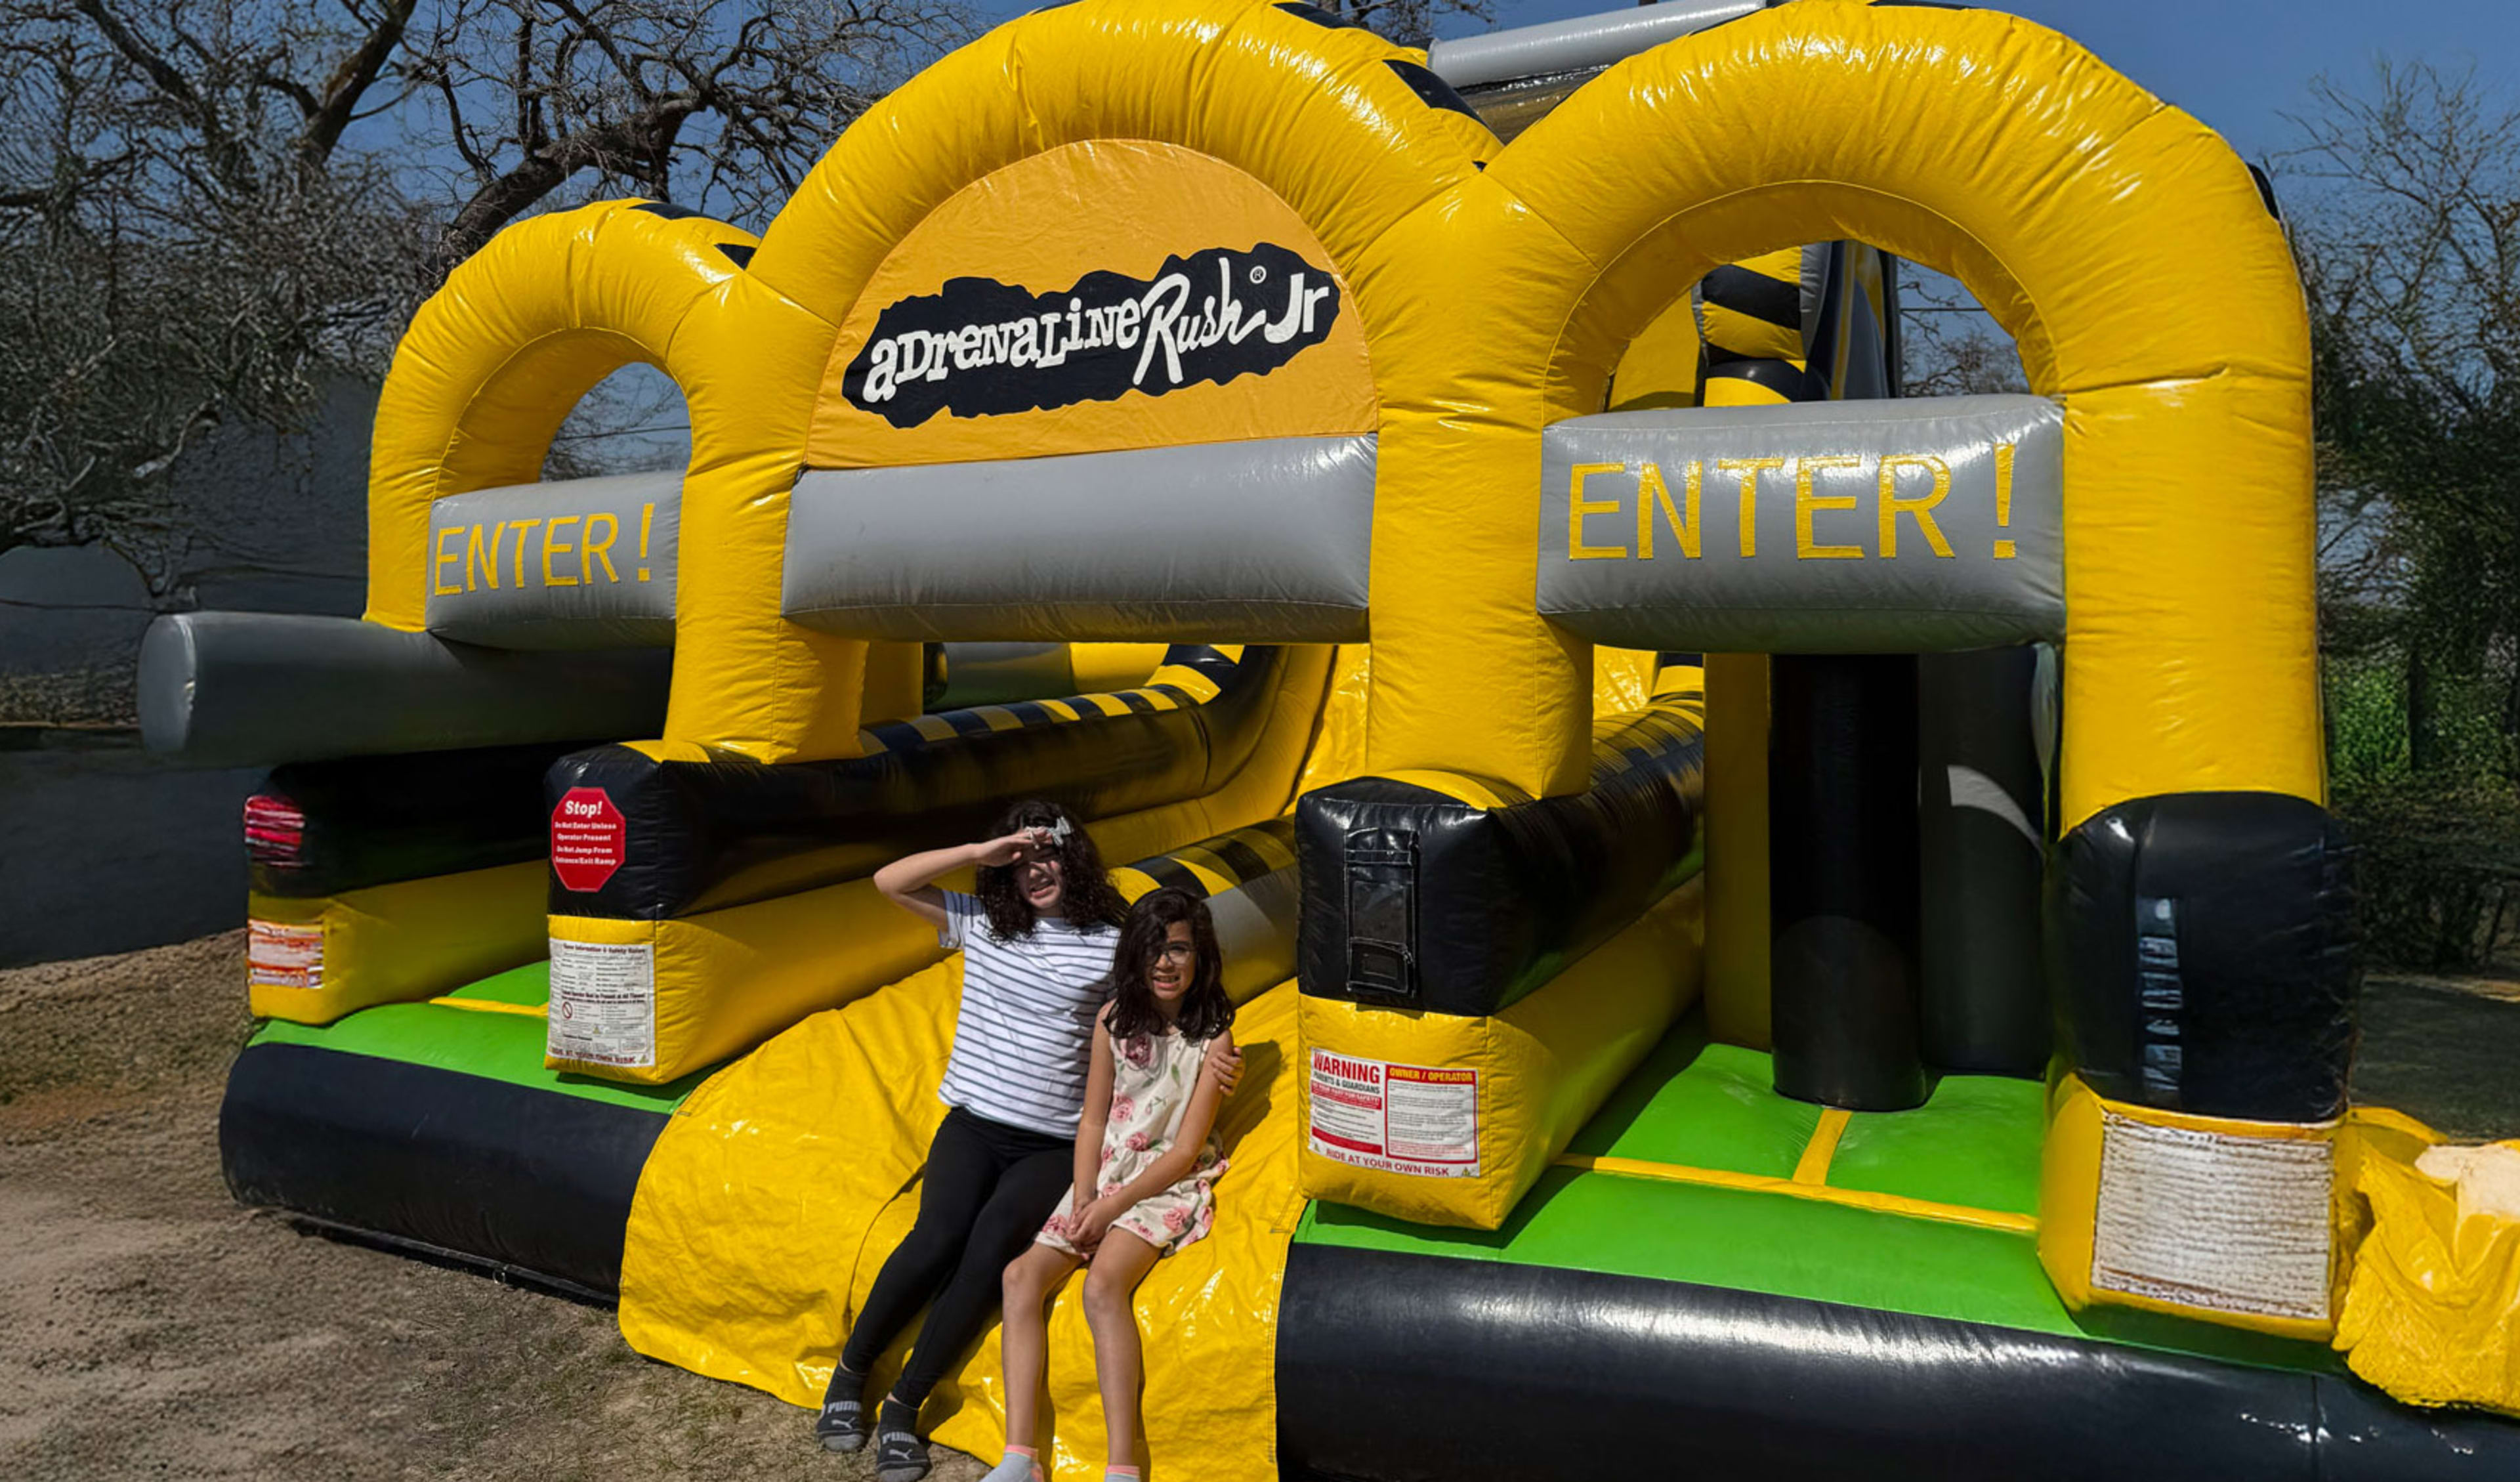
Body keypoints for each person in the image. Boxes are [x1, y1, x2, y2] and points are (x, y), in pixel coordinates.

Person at [818, 803, 1238, 1482]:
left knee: (990, 1252)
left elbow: (1172, 982)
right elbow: (889, 881)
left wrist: (1220, 1056)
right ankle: (850, 1372)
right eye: (1021, 861)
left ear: (1075, 862)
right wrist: (987, 847)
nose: (1034, 869)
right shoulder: (983, 924)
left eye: (1047, 855)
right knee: (936, 1236)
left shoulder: (1108, 940)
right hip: (977, 1122)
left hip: (1051, 1139)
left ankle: (903, 1405)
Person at [986, 888, 1236, 1482]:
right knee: (1020, 1277)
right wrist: (1084, 1198)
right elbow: (1093, 1120)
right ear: (1133, 956)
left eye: (1179, 948)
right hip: (1104, 1176)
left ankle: (1124, 1464)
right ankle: (1021, 1457)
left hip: (1163, 1183)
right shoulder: (1114, 1018)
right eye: (1153, 948)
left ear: (1200, 956)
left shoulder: (1215, 1037)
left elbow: (1181, 1151)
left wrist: (1113, 1207)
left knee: (1102, 1288)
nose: (1165, 962)